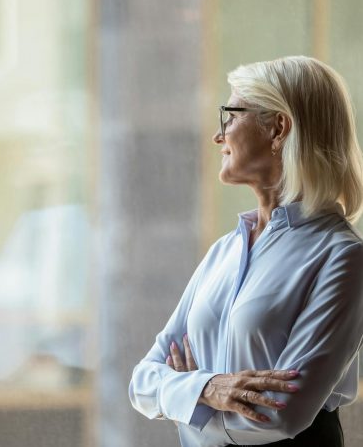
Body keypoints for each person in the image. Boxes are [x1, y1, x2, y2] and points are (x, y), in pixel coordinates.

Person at [129, 56, 363, 447]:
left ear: (278, 128)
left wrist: (182, 399)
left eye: (230, 116)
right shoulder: (225, 250)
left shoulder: (342, 257)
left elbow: (278, 416)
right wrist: (208, 388)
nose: (218, 137)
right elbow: (141, 381)